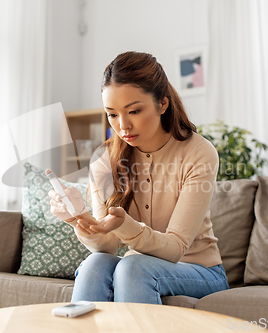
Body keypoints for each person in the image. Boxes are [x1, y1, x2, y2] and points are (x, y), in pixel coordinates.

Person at [48, 51, 229, 304]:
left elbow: (176, 247)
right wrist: (79, 218)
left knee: (133, 267)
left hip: (200, 270)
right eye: (112, 114)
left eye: (133, 111)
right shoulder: (103, 160)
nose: (122, 126)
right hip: (137, 265)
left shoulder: (198, 152)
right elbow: (108, 247)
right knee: (94, 264)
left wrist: (125, 225)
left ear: (162, 104)